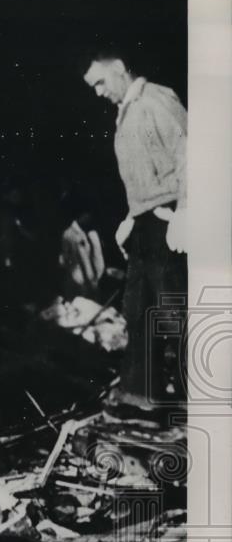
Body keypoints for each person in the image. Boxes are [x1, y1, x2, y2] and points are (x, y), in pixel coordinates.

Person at [82, 45, 187, 410]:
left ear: (120, 68)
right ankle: (141, 395)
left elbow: (188, 154)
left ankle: (206, 395)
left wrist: (186, 210)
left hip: (167, 218)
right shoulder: (124, 112)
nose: (98, 92)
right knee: (137, 309)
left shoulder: (156, 99)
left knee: (173, 310)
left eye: (99, 82)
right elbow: (141, 172)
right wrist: (132, 216)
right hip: (145, 220)